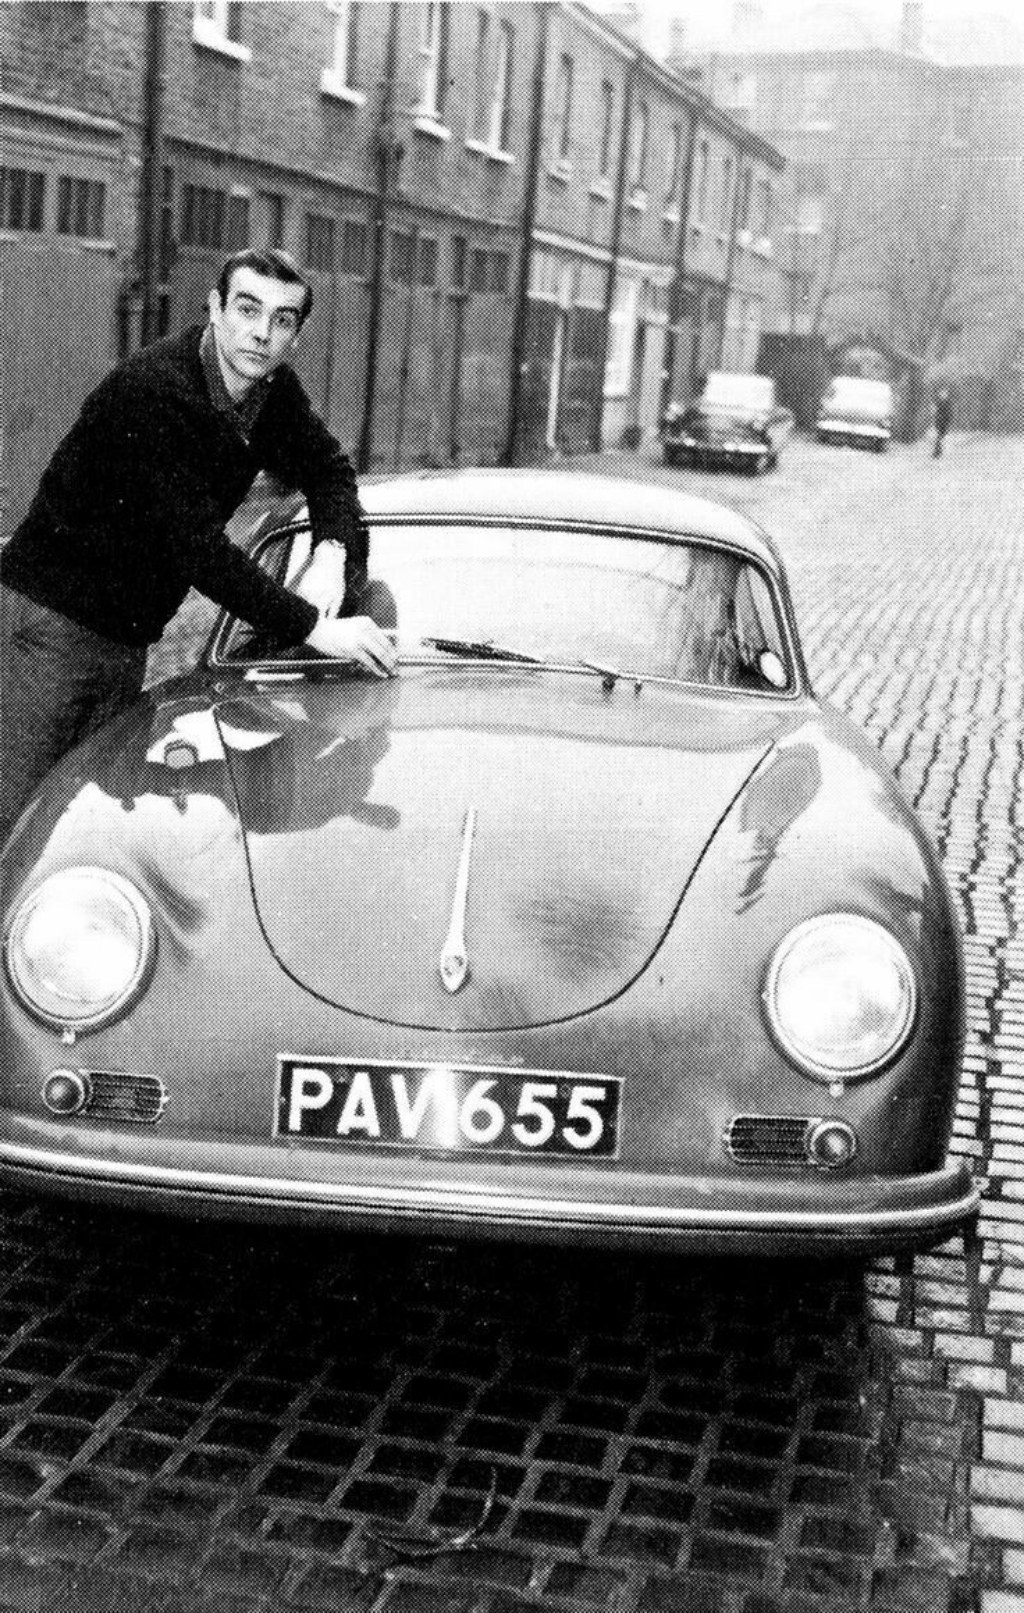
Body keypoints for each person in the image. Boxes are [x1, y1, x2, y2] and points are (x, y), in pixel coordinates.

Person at [0, 247, 396, 846]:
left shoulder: (271, 395)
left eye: (282, 320)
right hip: (49, 628)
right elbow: (194, 548)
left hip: (127, 637)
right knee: (18, 818)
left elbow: (330, 470)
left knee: (82, 823)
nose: (261, 334)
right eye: (247, 309)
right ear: (214, 308)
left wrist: (331, 554)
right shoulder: (153, 390)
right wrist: (316, 627)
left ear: (296, 334)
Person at [933, 383, 953, 458]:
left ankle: (938, 451)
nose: (943, 394)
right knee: (939, 436)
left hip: (945, 421)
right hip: (939, 421)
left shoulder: (948, 403)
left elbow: (950, 413)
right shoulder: (938, 402)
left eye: (944, 393)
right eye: (941, 393)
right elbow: (935, 411)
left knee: (941, 436)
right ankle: (937, 451)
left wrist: (949, 421)